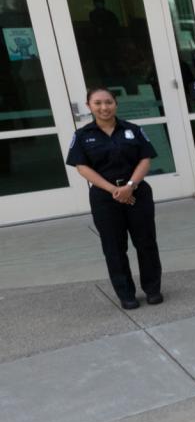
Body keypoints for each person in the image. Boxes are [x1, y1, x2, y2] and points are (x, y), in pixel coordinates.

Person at [66, 88, 162, 310]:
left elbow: (145, 159)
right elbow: (82, 168)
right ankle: (126, 294)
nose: (104, 107)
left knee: (146, 243)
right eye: (98, 103)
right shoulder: (82, 136)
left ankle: (153, 289)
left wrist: (130, 186)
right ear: (89, 106)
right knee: (114, 247)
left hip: (137, 193)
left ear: (116, 104)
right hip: (105, 198)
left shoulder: (133, 130)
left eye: (108, 102)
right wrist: (114, 191)